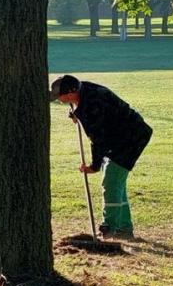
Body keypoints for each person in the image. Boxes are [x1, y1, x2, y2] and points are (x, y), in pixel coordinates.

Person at [50, 74, 153, 240]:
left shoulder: (92, 104)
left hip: (131, 137)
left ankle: (109, 228)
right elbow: (88, 114)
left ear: (71, 92)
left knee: (111, 179)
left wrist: (94, 166)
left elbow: (98, 140)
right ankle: (123, 228)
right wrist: (78, 114)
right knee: (116, 181)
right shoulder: (84, 93)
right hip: (121, 135)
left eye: (60, 96)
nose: (59, 100)